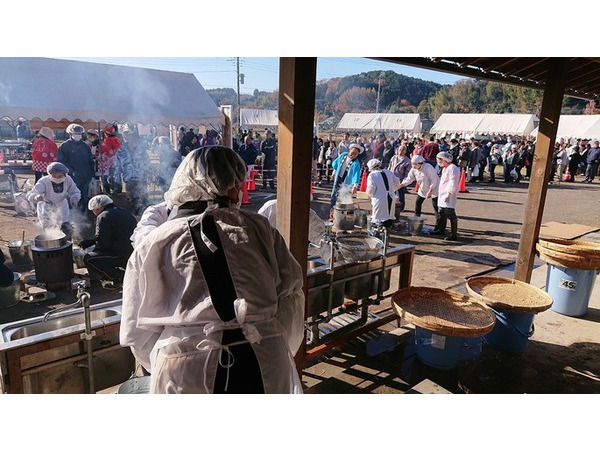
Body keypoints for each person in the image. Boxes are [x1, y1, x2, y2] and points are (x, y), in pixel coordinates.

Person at [119, 146, 305, 394]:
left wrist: (172, 353)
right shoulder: (260, 229)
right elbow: (291, 299)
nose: (239, 191)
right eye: (236, 183)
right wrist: (275, 344)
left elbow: (136, 330)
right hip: (265, 357)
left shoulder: (153, 242)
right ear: (221, 185)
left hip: (185, 371)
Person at [79, 195, 137, 286]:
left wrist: (95, 250)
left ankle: (119, 276)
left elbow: (103, 244)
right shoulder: (124, 211)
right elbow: (116, 233)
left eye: (93, 210)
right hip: (134, 251)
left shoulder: (103, 216)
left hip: (121, 254)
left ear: (98, 208)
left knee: (89, 258)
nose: (93, 213)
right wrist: (92, 241)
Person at [26, 162, 81, 237]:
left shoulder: (68, 179)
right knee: (50, 231)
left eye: (60, 176)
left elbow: (75, 191)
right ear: (49, 174)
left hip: (62, 207)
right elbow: (30, 194)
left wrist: (75, 198)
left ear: (65, 174)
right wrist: (36, 197)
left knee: (65, 229)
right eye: (54, 176)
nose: (57, 178)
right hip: (46, 209)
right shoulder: (44, 181)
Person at [57, 123, 95, 213]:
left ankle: (83, 216)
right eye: (75, 133)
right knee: (71, 196)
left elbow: (90, 161)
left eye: (79, 133)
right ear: (70, 134)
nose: (77, 135)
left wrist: (92, 175)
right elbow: (61, 161)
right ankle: (71, 216)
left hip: (85, 176)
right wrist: (70, 171)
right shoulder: (64, 146)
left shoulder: (85, 146)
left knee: (84, 197)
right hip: (71, 177)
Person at [113, 125, 151, 215]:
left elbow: (147, 163)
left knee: (143, 199)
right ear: (127, 139)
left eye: (136, 139)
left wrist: (149, 175)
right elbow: (117, 167)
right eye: (132, 139)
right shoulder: (121, 151)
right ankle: (134, 217)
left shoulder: (142, 150)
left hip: (141, 178)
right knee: (132, 200)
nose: (135, 141)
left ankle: (143, 216)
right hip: (129, 179)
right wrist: (117, 181)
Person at [398, 155, 440, 219]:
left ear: (421, 163)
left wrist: (430, 191)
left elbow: (434, 180)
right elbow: (409, 179)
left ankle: (438, 223)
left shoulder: (428, 168)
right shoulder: (414, 169)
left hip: (434, 189)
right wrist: (401, 185)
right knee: (418, 202)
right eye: (413, 164)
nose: (414, 166)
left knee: (435, 206)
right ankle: (416, 218)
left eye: (415, 164)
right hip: (422, 188)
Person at [430, 152, 460, 240]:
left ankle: (454, 234)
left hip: (448, 194)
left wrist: (449, 193)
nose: (438, 161)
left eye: (440, 159)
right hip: (442, 193)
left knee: (450, 213)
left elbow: (453, 182)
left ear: (445, 159)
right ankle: (441, 229)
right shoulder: (444, 168)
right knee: (441, 213)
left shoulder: (452, 168)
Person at [365, 158, 401, 228]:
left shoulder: (372, 175)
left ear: (372, 168)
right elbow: (397, 181)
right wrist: (392, 190)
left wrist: (369, 195)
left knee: (378, 219)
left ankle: (378, 235)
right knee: (389, 216)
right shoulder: (389, 172)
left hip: (379, 199)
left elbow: (371, 188)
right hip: (391, 197)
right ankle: (387, 234)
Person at [330, 143, 363, 209]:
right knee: (334, 194)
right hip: (338, 177)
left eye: (356, 154)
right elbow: (337, 165)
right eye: (352, 152)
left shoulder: (356, 163)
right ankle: (332, 211)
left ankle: (342, 212)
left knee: (344, 196)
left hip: (347, 182)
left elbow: (356, 174)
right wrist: (333, 173)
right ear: (349, 150)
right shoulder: (343, 155)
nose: (353, 155)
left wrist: (355, 186)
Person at [387, 143, 411, 215]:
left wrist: (404, 181)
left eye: (402, 150)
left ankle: (401, 208)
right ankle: (391, 206)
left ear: (405, 151)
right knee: (391, 193)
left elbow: (407, 173)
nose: (400, 151)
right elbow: (390, 166)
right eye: (400, 149)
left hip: (400, 179)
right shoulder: (394, 157)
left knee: (400, 194)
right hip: (391, 178)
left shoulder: (407, 161)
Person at [98, 125, 121, 194]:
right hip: (115, 161)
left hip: (107, 162)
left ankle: (108, 191)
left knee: (105, 177)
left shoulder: (107, 140)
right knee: (114, 176)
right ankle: (117, 189)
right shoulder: (118, 140)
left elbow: (104, 151)